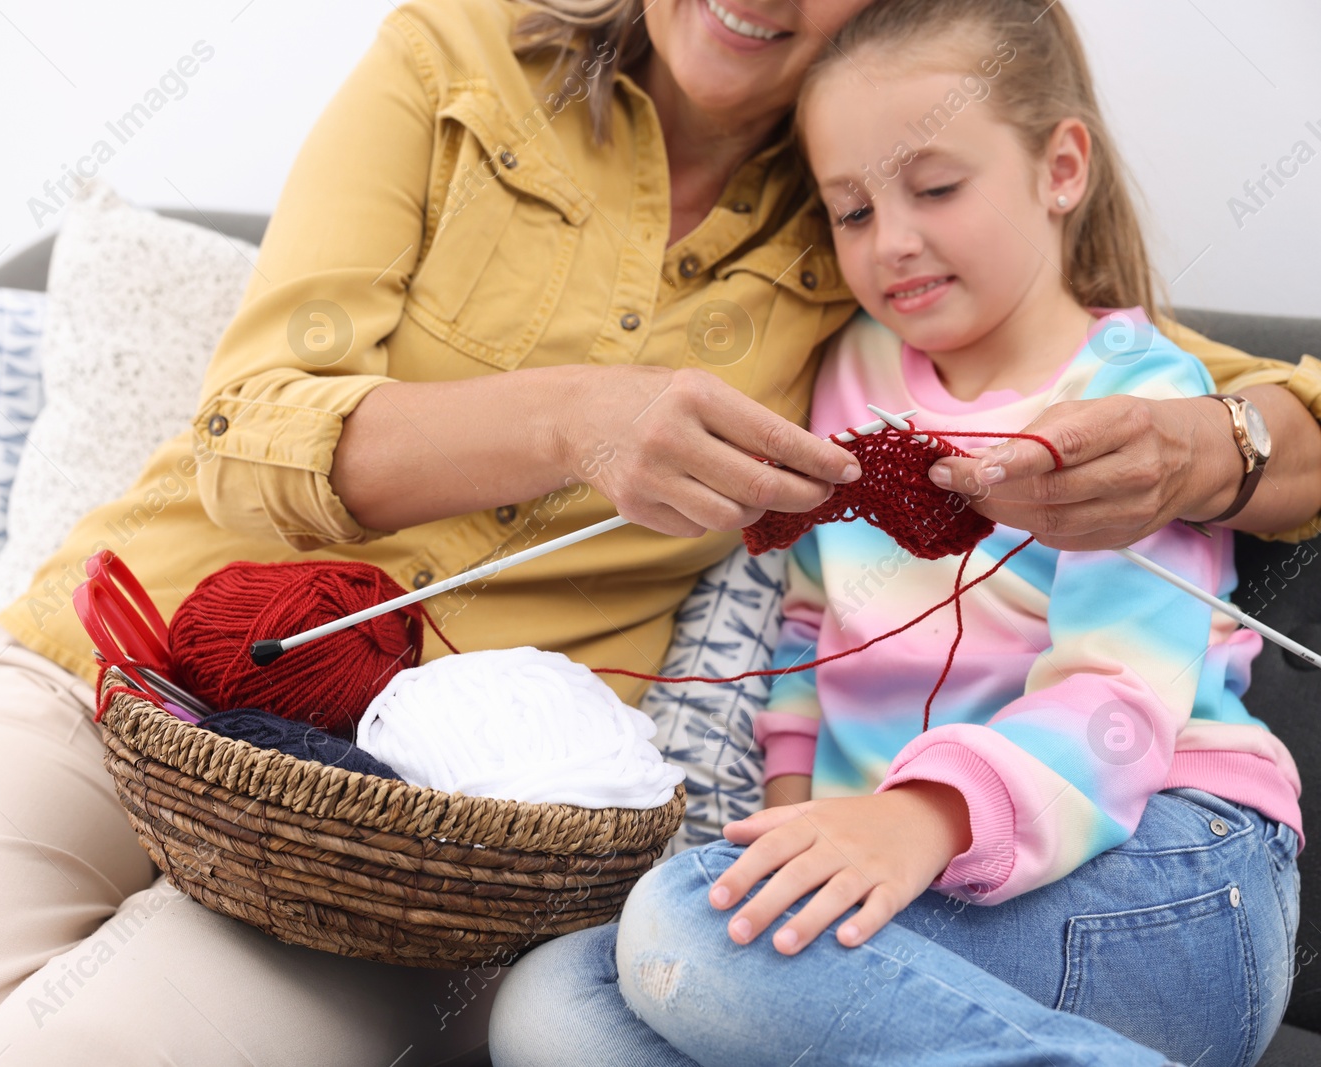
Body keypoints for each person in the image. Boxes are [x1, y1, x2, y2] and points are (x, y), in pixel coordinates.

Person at [0, 0, 1321, 1064]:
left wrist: (1217, 448)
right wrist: (576, 421)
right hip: (139, 666)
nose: (892, 233)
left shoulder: (867, 203)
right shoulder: (459, 58)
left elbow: (1149, 403)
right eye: (870, 210)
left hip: (432, 810)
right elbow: (246, 430)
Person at [488, 2, 1305, 1066]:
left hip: (1173, 873)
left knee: (681, 929)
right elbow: (811, 629)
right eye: (852, 209)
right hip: (935, 887)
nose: (894, 241)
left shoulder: (1132, 401)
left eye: (934, 188)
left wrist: (920, 816)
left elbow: (1118, 705)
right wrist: (795, 828)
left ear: (1061, 169)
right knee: (553, 1004)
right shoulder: (851, 377)